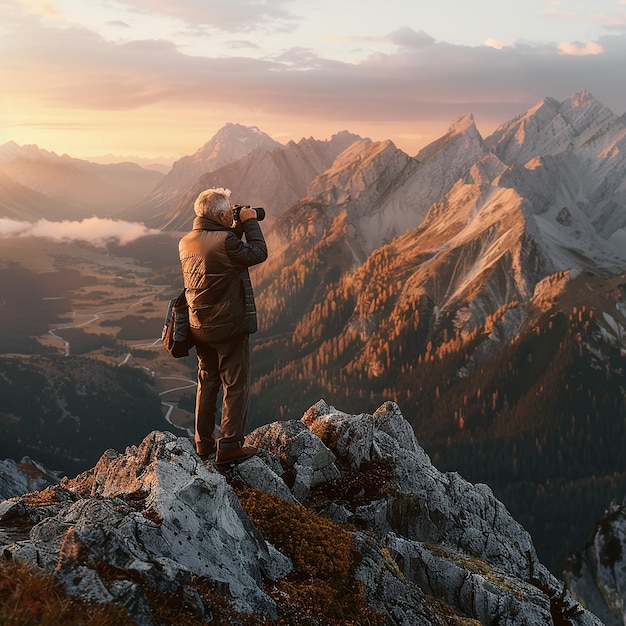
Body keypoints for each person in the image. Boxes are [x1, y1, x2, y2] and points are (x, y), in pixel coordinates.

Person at [178, 187, 268, 466]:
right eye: (229, 212)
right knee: (235, 384)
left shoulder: (187, 241)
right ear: (219, 214)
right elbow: (257, 253)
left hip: (199, 326)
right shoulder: (225, 242)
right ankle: (229, 446)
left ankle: (203, 444)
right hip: (228, 326)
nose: (233, 214)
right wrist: (250, 221)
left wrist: (234, 226)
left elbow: (221, 253)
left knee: (208, 382)